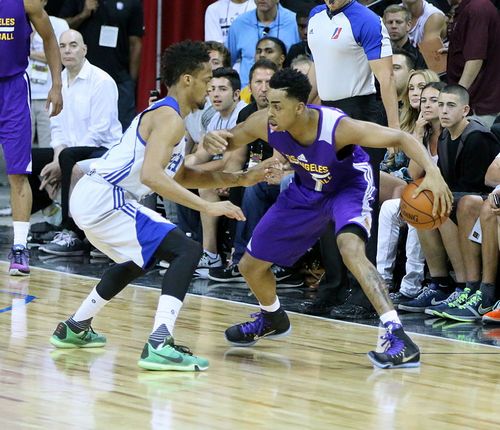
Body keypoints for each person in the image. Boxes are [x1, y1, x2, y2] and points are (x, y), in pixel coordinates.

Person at [49, 40, 276, 371]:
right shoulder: (170, 118)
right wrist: (208, 207)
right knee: (186, 251)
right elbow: (153, 177)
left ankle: (75, 326)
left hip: (99, 198)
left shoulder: (172, 118)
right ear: (187, 79)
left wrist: (242, 178)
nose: (209, 88)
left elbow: (181, 175)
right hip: (104, 197)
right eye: (205, 80)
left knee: (138, 259)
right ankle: (159, 342)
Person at [204, 68, 453, 368]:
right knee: (250, 266)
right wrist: (211, 140)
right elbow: (228, 141)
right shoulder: (264, 123)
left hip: (349, 187)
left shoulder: (337, 127)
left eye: (277, 106)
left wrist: (434, 173)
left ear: (300, 107)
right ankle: (272, 317)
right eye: (269, 103)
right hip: (307, 189)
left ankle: (398, 335)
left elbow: (400, 137)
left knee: (350, 249)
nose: (270, 112)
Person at [31, 30, 122, 256]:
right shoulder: (58, 82)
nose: (67, 50)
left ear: (84, 49)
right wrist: (56, 159)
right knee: (28, 159)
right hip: (69, 153)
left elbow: (99, 131)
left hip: (105, 151)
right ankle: (51, 213)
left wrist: (63, 162)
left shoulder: (101, 81)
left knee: (68, 157)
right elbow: (57, 128)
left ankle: (71, 233)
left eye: (73, 45)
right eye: (62, 46)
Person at [0, 0, 63, 276]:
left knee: (18, 173)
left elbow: (49, 39)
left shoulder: (26, 2)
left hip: (13, 90)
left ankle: (19, 247)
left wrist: (57, 85)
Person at [59, 0, 144, 131]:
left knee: (123, 131)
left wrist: (131, 81)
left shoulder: (132, 2)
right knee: (80, 129)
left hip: (120, 80)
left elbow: (135, 43)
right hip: (83, 79)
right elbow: (60, 27)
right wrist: (83, 14)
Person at [445, 0, 500, 128]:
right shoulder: (466, 8)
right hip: (471, 102)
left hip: (479, 104)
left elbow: (475, 59)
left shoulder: (478, 8)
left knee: (473, 144)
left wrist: (457, 95)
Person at [226, 0, 300, 87]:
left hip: (286, 91)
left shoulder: (294, 22)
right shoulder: (239, 24)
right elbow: (228, 63)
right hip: (247, 94)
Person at [28, 0, 69, 148]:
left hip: (48, 94)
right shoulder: (17, 18)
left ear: (44, 2)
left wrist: (29, 53)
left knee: (49, 145)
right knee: (20, 148)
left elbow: (63, 54)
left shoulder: (59, 24)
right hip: (23, 93)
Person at [382, 5, 426, 70]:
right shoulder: (378, 54)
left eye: (398, 22)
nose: (394, 26)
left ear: (408, 25)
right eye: (390, 22)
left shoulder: (419, 57)